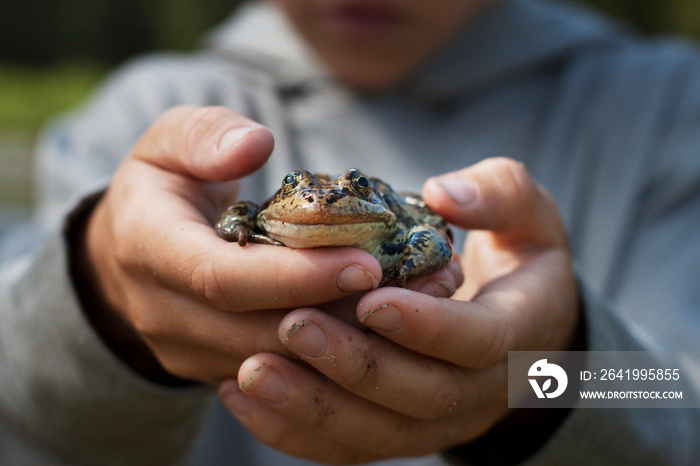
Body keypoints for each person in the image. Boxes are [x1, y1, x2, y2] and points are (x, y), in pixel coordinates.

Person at [1, 0, 699, 464]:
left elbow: (674, 397)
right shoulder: (149, 106)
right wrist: (102, 308)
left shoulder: (665, 108)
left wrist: (536, 382)